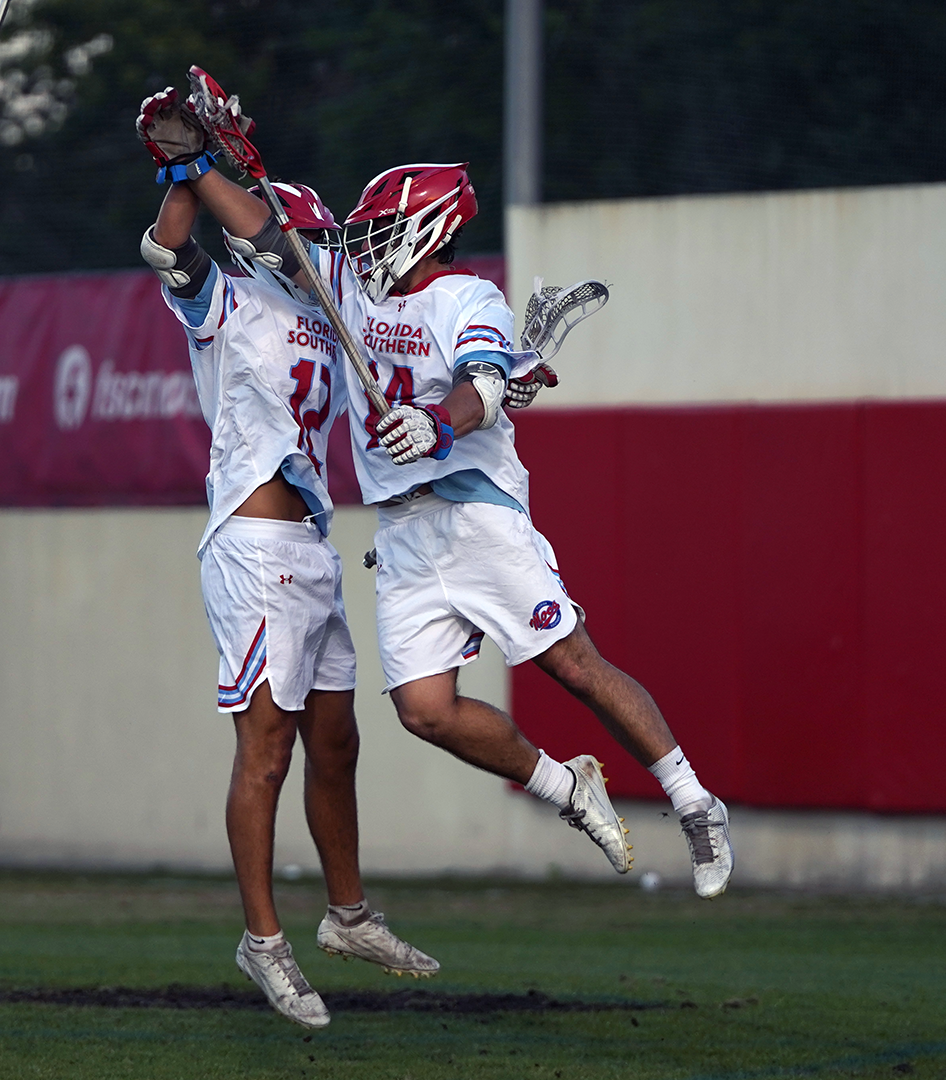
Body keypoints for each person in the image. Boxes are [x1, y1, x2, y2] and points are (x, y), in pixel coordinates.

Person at [184, 71, 734, 898]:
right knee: (423, 711)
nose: (365, 246)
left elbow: (478, 385)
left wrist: (440, 423)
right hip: (403, 537)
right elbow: (269, 232)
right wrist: (192, 165)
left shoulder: (469, 295)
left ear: (431, 229)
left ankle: (694, 802)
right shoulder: (352, 294)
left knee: (572, 664)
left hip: (476, 517)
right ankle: (566, 788)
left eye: (384, 230)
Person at [134, 88, 436, 1029]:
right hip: (251, 544)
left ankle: (348, 916)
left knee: (337, 741)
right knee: (265, 747)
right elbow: (172, 249)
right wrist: (185, 167)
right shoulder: (231, 299)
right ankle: (264, 940)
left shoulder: (332, 303)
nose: (328, 251)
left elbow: (288, 242)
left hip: (311, 540)